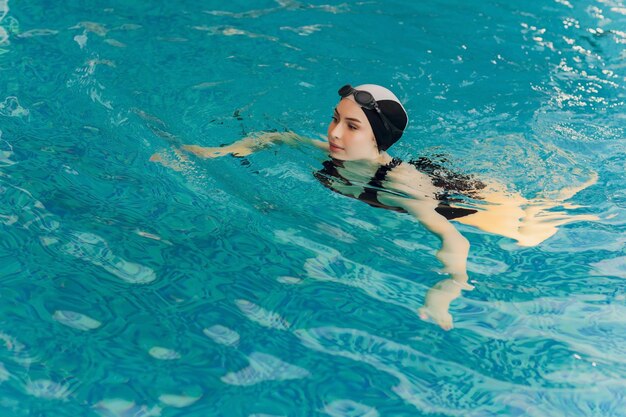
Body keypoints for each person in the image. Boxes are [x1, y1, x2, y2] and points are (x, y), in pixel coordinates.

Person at [152, 84, 598, 330]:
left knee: (534, 227)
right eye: (334, 119)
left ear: (378, 138)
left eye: (351, 127)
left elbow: (452, 237)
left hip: (462, 204)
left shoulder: (402, 184)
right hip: (419, 182)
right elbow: (276, 137)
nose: (335, 134)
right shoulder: (329, 154)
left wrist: (446, 290)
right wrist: (215, 151)